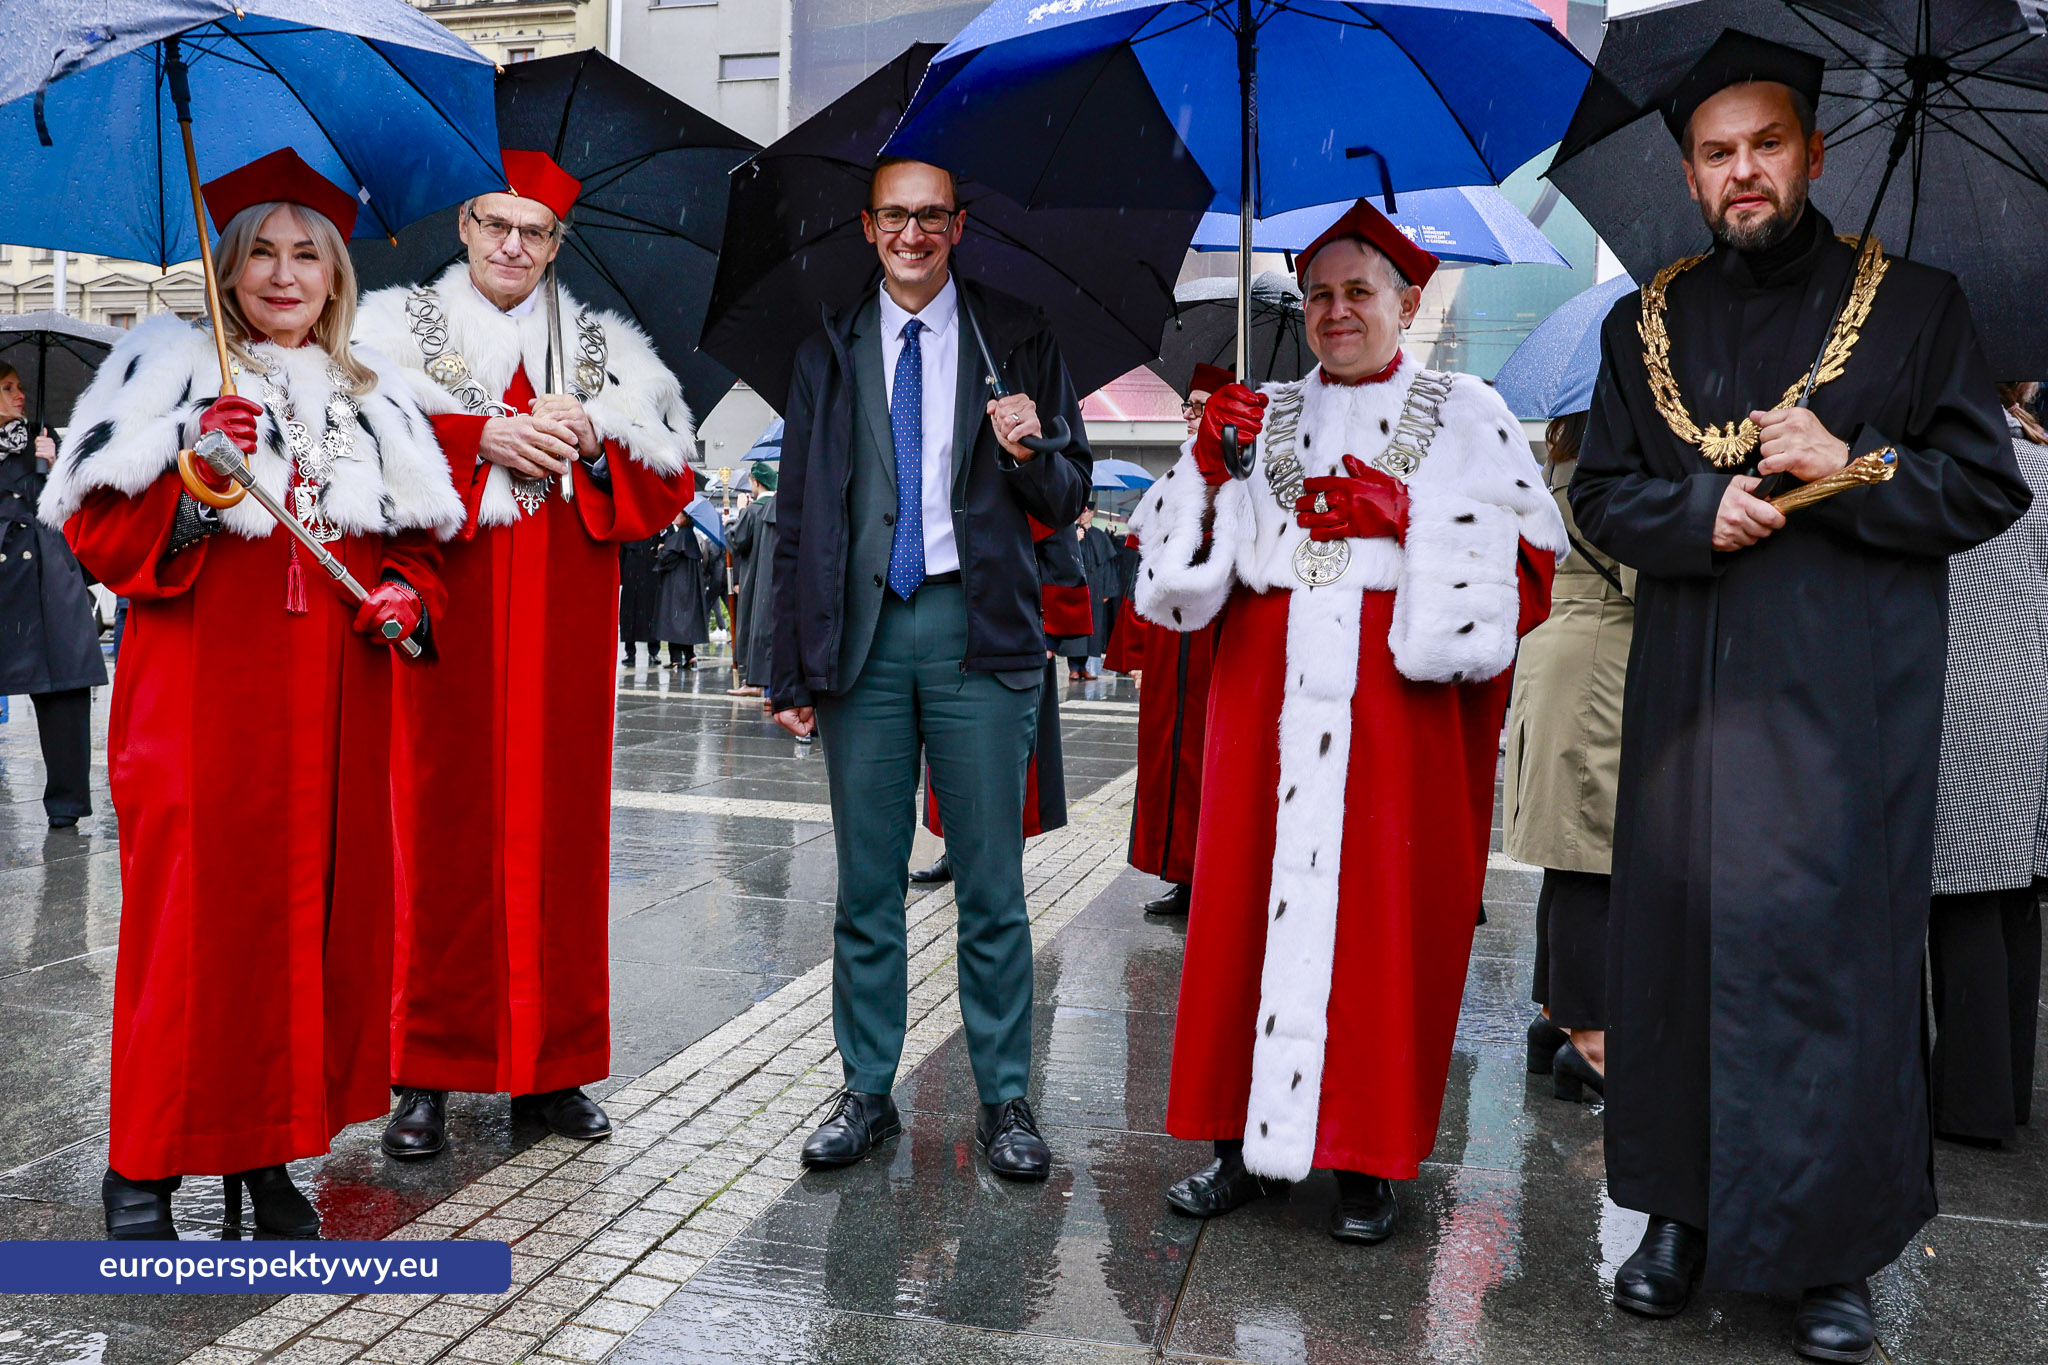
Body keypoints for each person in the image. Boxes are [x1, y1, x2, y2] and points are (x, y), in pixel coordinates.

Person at [1568, 35, 2029, 1361]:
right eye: (1717, 154)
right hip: (1688, 703)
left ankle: (1830, 1251)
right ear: (1690, 172)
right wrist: (1697, 511)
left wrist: (1856, 459)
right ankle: (1679, 1216)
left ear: (1814, 153)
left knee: (1833, 977)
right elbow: (1600, 496)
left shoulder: (1921, 304)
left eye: (1765, 145)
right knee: (1678, 961)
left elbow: (1985, 485)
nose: (1743, 172)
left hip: (1847, 703)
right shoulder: (1640, 321)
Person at [40, 149, 457, 1238]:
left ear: (334, 276)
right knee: (192, 936)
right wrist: (190, 477)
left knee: (303, 938)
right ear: (227, 274)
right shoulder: (166, 367)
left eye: (305, 254)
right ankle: (145, 1164)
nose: (283, 274)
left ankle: (265, 1156)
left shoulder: (374, 394)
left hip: (332, 713)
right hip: (199, 708)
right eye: (260, 254)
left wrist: (405, 600)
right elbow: (96, 532)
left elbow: (420, 553)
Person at [1136, 198, 1563, 1244]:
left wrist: (1409, 519)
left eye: (1357, 292)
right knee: (1239, 916)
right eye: (1319, 293)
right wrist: (1202, 465)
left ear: (1406, 303)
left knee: (1380, 926)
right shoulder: (1260, 410)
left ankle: (1367, 1158)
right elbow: (1174, 587)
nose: (1335, 312)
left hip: (1395, 715)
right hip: (1263, 700)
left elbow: (1531, 569)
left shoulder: (1467, 409)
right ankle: (1237, 1144)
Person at [357, 148, 695, 1161]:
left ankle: (553, 1073)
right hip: (442, 625)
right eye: (496, 224)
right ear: (464, 225)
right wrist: (474, 442)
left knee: (560, 846)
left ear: (558, 242)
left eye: (535, 231)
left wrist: (593, 434)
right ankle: (422, 1071)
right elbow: (347, 441)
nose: (514, 245)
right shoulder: (384, 330)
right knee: (432, 841)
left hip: (562, 634)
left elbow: (667, 470)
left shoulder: (605, 351)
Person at [770, 156, 1091, 1180]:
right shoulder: (828, 341)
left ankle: (1005, 1098)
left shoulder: (1017, 333)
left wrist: (1026, 452)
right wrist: (786, 666)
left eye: (932, 216)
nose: (913, 234)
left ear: (959, 224)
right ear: (867, 228)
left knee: (991, 885)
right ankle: (867, 1089)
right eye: (895, 217)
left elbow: (1065, 490)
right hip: (861, 642)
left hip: (977, 631)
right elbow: (800, 508)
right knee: (865, 886)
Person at [1926, 382, 2048, 1147]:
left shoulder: (1937, 461)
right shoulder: (2038, 463)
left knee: (1963, 896)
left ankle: (1969, 1107)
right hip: (2033, 691)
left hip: (1960, 688)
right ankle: (2004, 1095)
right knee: (2014, 900)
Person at [1499, 409, 1632, 1101]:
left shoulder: (1559, 468)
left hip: (1559, 653)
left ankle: (1555, 1016)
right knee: (1592, 856)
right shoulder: (1615, 475)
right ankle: (1592, 1042)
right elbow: (1644, 576)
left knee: (1568, 852)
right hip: (1601, 664)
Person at [910, 506, 1098, 886]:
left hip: (1014, 626)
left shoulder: (1013, 456)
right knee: (947, 756)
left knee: (1008, 763)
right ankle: (953, 851)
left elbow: (1053, 534)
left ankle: (1003, 857)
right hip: (949, 618)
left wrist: (1050, 631)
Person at [1121, 361, 1234, 918]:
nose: (1188, 415)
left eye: (1198, 405)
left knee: (1211, 755)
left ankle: (1215, 873)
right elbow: (1144, 560)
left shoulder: (1243, 472)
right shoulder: (1176, 476)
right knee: (1170, 755)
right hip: (1174, 640)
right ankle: (1182, 871)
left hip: (1217, 638)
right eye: (1186, 405)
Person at [0, 361, 106, 829]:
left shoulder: (48, 446)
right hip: (6, 583)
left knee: (64, 689)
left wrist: (56, 465)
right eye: (7, 388)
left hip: (50, 583)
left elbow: (82, 507)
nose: (19, 394)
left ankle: (66, 804)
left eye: (20, 386)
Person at [727, 462, 778, 696]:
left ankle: (754, 679)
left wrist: (734, 517)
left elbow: (736, 542)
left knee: (752, 625)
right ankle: (770, 683)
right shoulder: (779, 507)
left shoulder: (752, 511)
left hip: (753, 577)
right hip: (774, 576)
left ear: (756, 482)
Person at [653, 512, 713, 669]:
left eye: (679, 514)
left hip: (677, 585)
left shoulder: (681, 536)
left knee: (673, 618)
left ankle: (676, 659)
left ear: (686, 518)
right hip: (689, 585)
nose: (675, 516)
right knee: (686, 621)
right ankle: (690, 655)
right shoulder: (690, 536)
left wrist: (661, 549)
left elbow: (667, 557)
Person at [1077, 503, 1120, 678]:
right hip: (1078, 586)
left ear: (1092, 514)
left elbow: (1108, 565)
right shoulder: (1074, 533)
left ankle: (1087, 666)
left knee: (1094, 627)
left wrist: (1107, 591)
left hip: (1096, 588)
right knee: (1076, 627)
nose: (1082, 515)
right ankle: (1074, 666)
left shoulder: (1099, 536)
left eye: (1085, 512)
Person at [619, 531, 663, 665]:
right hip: (631, 566)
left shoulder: (658, 519)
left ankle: (654, 650)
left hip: (651, 568)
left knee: (651, 610)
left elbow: (666, 536)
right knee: (629, 610)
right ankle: (630, 651)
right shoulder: (630, 520)